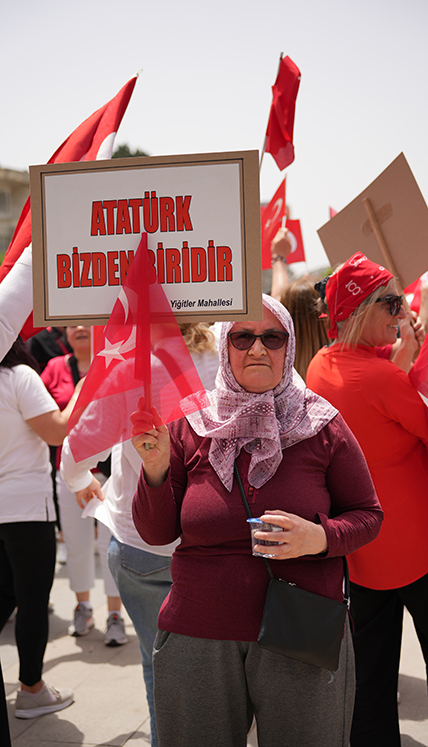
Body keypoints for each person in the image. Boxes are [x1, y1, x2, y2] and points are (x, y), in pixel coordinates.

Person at [131, 294, 383, 747]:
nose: (258, 349)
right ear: (225, 346)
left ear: (288, 348)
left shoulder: (321, 424)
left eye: (272, 337)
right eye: (243, 337)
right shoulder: (190, 423)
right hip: (197, 633)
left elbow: (369, 515)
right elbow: (155, 532)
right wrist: (153, 469)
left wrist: (319, 537)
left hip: (301, 636)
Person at [60, 322, 220, 747]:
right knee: (221, 665)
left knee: (158, 662)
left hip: (142, 543)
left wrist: (80, 482)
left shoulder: (132, 366)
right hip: (216, 538)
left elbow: (73, 454)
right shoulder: (230, 351)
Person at [306, 252, 428, 747]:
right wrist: (410, 368)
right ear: (359, 311)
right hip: (416, 551)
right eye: (392, 304)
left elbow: (372, 397)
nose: (400, 314)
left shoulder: (319, 365)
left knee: (372, 688)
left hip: (362, 556)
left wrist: (403, 356)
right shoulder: (379, 378)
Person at [0, 337, 79, 719]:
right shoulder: (19, 376)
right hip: (26, 508)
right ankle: (31, 688)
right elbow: (56, 432)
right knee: (31, 599)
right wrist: (83, 387)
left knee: (6, 597)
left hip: (13, 507)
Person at [41, 325, 126, 645]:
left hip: (108, 472)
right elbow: (43, 417)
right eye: (73, 323)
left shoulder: (118, 365)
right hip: (69, 472)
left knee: (110, 547)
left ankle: (115, 614)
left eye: (87, 323)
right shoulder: (54, 368)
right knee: (76, 545)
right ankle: (83, 607)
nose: (80, 328)